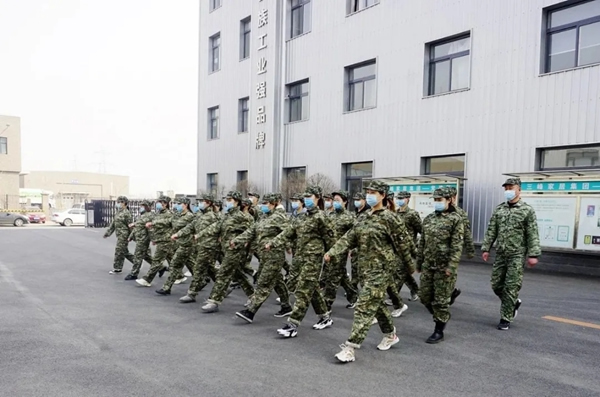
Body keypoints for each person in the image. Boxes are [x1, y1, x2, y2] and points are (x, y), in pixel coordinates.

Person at [325, 180, 414, 363]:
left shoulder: (390, 218)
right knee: (377, 304)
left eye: (374, 192)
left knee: (364, 306)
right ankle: (390, 334)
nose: (369, 195)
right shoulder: (364, 217)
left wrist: (411, 266)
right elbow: (349, 238)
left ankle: (350, 347)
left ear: (383, 196)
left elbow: (405, 245)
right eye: (368, 192)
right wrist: (332, 252)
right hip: (365, 270)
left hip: (382, 270)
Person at [266, 185, 334, 338]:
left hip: (314, 259)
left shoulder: (322, 217)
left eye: (310, 197)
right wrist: (273, 242)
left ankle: (293, 324)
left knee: (303, 290)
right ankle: (325, 317)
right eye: (306, 197)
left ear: (318, 199)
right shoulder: (301, 218)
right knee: (312, 288)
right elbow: (288, 232)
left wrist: (331, 255)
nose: (307, 200)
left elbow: (331, 239)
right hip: (300, 257)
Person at [481, 178, 541, 331]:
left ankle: (505, 317)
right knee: (496, 285)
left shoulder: (527, 210)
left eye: (511, 187)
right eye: (506, 188)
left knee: (511, 286)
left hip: (517, 255)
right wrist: (486, 248)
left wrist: (533, 254)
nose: (508, 190)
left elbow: (532, 233)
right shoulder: (499, 209)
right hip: (501, 253)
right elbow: (491, 229)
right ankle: (513, 303)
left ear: (519, 189)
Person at [234, 193, 293, 323]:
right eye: (263, 203)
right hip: (264, 255)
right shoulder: (263, 217)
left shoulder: (279, 217)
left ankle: (250, 311)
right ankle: (286, 306)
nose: (263, 206)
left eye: (266, 203)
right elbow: (251, 231)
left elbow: (289, 232)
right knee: (277, 281)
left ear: (273, 204)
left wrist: (283, 245)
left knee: (263, 282)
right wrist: (236, 240)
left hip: (274, 255)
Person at [416, 187, 464, 344]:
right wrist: (419, 262)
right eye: (435, 200)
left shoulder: (455, 219)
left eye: (440, 200)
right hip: (429, 264)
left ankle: (439, 330)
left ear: (449, 200)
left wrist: (451, 266)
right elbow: (422, 242)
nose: (437, 203)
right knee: (424, 297)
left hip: (444, 267)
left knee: (441, 301)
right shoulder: (429, 219)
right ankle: (441, 311)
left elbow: (457, 245)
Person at [198, 191, 255, 313]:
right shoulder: (227, 215)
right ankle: (253, 296)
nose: (227, 202)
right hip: (226, 249)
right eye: (227, 200)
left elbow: (251, 233)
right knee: (237, 274)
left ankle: (214, 301)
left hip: (236, 251)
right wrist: (200, 235)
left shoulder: (243, 217)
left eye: (230, 200)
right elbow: (215, 227)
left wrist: (239, 241)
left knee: (223, 274)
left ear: (237, 201)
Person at [175, 194, 221, 303]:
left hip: (209, 247)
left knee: (199, 269)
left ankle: (191, 293)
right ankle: (223, 287)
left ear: (208, 203)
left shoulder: (214, 216)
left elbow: (218, 230)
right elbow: (191, 226)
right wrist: (179, 233)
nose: (200, 203)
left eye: (202, 201)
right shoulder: (200, 215)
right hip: (201, 246)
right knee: (210, 268)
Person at [322, 190, 358, 311]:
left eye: (338, 200)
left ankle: (327, 304)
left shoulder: (350, 217)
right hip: (328, 252)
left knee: (332, 278)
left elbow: (356, 235)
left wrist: (353, 249)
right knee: (341, 275)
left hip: (340, 253)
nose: (334, 202)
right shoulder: (329, 215)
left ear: (345, 202)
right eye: (334, 200)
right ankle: (354, 297)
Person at [155, 197, 196, 295]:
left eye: (179, 203)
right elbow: (168, 221)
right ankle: (202, 279)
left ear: (185, 205)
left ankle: (167, 287)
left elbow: (184, 227)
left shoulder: (189, 216)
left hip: (187, 244)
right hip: (179, 244)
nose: (177, 205)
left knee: (174, 264)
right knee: (192, 265)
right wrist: (153, 223)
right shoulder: (178, 215)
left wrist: (177, 234)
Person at [136, 196, 174, 287]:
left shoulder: (169, 214)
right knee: (173, 259)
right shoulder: (158, 213)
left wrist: (153, 223)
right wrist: (154, 238)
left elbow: (166, 222)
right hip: (161, 239)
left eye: (159, 202)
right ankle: (180, 275)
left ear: (165, 204)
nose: (157, 204)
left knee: (157, 260)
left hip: (165, 240)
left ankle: (147, 279)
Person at [447, 186, 476, 305]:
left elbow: (467, 232)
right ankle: (450, 292)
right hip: (438, 248)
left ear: (453, 198)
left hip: (454, 248)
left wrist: (470, 250)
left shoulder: (460, 213)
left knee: (450, 273)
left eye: (449, 198)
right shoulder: (438, 213)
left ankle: (449, 294)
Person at [394, 191, 422, 301]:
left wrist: (417, 245)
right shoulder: (395, 213)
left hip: (408, 248)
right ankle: (416, 290)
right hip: (395, 248)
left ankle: (394, 297)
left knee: (400, 271)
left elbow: (421, 230)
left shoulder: (412, 214)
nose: (399, 200)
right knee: (402, 272)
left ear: (408, 199)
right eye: (398, 198)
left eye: (402, 198)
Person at [104, 196, 135, 275]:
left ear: (124, 203)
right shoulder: (118, 212)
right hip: (119, 234)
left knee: (119, 251)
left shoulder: (127, 213)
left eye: (119, 202)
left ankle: (117, 268)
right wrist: (107, 233)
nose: (118, 204)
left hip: (124, 235)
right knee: (123, 251)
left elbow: (130, 226)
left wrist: (132, 236)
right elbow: (113, 224)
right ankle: (137, 262)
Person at [125, 200, 154, 281]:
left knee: (138, 256)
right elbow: (137, 228)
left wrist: (153, 239)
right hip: (139, 238)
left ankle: (134, 273)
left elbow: (150, 229)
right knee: (145, 256)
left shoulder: (150, 215)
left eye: (142, 206)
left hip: (144, 239)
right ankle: (161, 267)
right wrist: (131, 236)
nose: (140, 208)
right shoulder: (142, 216)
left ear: (147, 207)